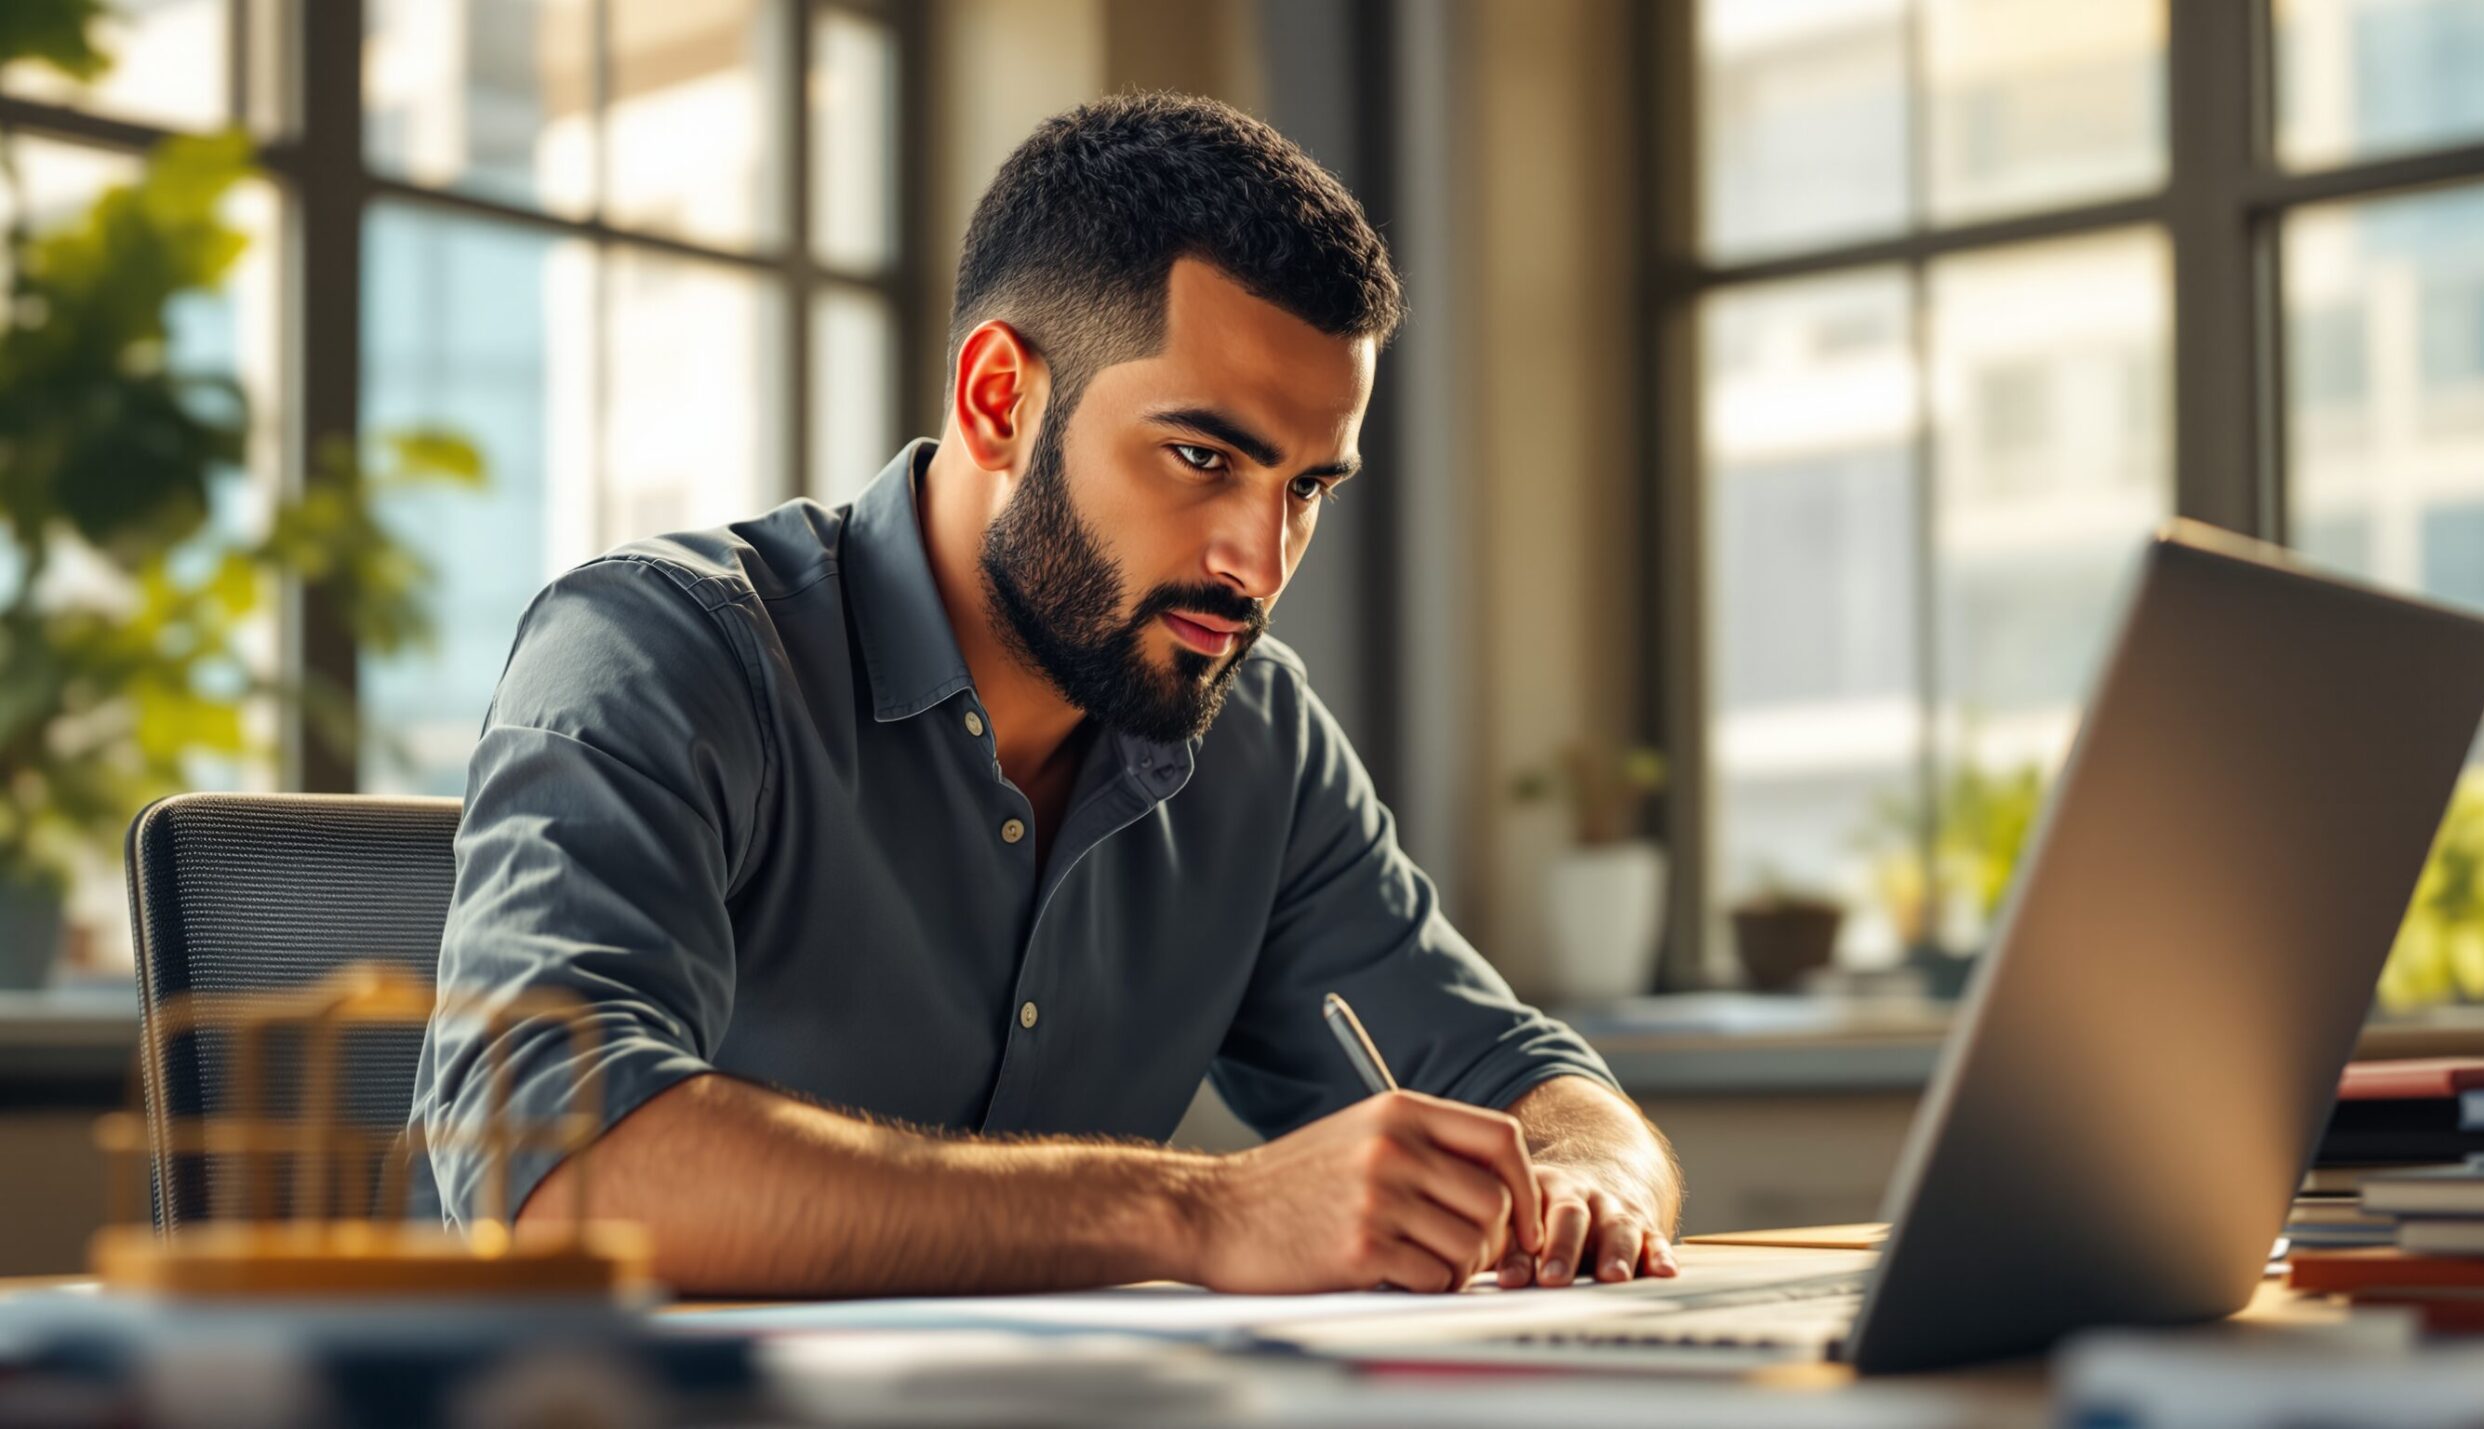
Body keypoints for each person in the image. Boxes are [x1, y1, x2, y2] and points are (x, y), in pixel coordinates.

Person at [409, 92, 1682, 1298]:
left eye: (1306, 486)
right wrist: (1201, 1212)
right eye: (1202, 456)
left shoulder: (1259, 742)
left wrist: (1586, 1180)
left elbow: (1523, 1076)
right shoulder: (659, 651)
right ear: (999, 398)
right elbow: (557, 1163)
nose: (1260, 558)